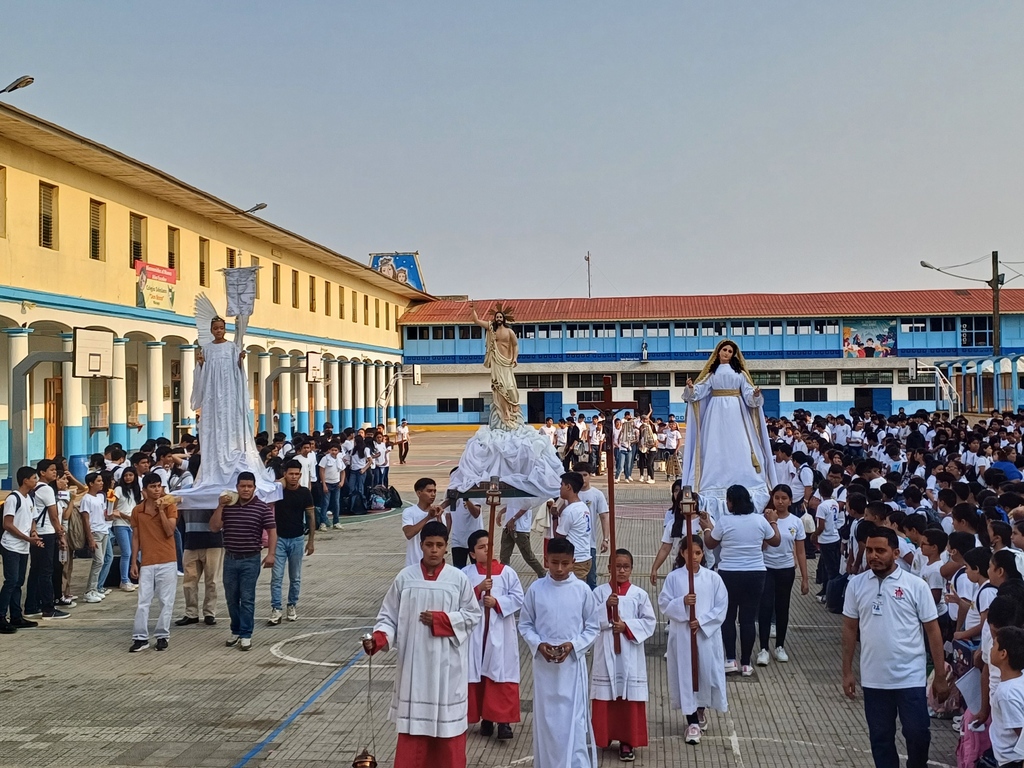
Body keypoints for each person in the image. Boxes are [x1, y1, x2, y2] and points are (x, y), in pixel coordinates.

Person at [362, 521, 482, 768]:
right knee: (414, 734)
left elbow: (473, 616)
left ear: (446, 547)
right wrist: (380, 638)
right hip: (414, 669)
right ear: (421, 545)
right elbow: (388, 616)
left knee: (448, 732)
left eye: (439, 545)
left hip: (447, 668)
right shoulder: (405, 578)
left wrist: (442, 619)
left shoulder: (458, 579)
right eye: (429, 545)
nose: (434, 550)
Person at [841, 527, 948, 768]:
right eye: (869, 550)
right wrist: (847, 671)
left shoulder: (916, 585)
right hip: (874, 678)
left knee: (918, 733)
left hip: (910, 677)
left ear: (896, 552)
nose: (873, 556)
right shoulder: (856, 585)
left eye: (880, 550)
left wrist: (940, 675)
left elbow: (933, 631)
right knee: (881, 738)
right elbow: (849, 629)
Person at [518, 536, 601, 768]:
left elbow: (593, 627)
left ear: (573, 561)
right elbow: (525, 624)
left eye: (565, 563)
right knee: (547, 723)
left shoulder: (582, 591)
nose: (560, 568)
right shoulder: (536, 589)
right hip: (544, 668)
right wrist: (538, 644)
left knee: (573, 722)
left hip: (572, 668)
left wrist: (573, 645)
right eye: (555, 562)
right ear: (546, 560)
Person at [185, 306, 281, 507]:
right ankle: (215, 466)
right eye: (215, 328)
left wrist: (240, 361)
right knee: (214, 423)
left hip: (228, 392)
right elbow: (202, 373)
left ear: (224, 329)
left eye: (221, 328)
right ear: (211, 330)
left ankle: (233, 455)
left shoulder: (231, 347)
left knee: (229, 419)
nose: (218, 331)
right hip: (213, 392)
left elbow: (238, 372)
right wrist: (201, 364)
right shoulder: (207, 349)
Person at [681, 340, 778, 518]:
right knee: (715, 446)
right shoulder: (712, 374)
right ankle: (713, 483)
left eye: (730, 351)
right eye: (724, 350)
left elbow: (748, 394)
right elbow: (699, 392)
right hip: (715, 411)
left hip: (736, 410)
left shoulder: (740, 374)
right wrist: (691, 389)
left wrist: (755, 395)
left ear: (734, 354)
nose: (726, 353)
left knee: (740, 443)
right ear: (718, 352)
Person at [699, 485, 781, 676]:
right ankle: (746, 663)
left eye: (728, 500)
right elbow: (775, 541)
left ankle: (730, 659)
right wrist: (773, 522)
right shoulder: (760, 521)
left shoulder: (726, 521)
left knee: (728, 617)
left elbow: (711, 542)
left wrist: (707, 528)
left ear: (732, 502)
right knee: (747, 618)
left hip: (729, 573)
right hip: (756, 573)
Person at [660, 535, 729, 746]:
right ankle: (691, 721)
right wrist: (682, 602)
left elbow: (721, 605)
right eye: (690, 552)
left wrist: (702, 621)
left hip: (706, 637)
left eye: (698, 553)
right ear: (682, 553)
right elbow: (664, 603)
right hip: (682, 635)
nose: (694, 557)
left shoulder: (713, 578)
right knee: (687, 674)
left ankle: (701, 709)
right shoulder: (674, 578)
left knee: (705, 673)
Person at [591, 549, 656, 761]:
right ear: (609, 568)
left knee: (628, 695)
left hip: (630, 653)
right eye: (616, 566)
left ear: (632, 569)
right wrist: (606, 608)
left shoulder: (639, 594)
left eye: (625, 567)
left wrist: (626, 626)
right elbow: (589, 620)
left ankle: (628, 741)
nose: (621, 570)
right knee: (606, 693)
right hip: (606, 650)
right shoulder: (600, 593)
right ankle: (604, 735)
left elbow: (649, 622)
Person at [462, 529, 524, 740]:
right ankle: (486, 717)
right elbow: (458, 599)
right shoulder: (465, 574)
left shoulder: (507, 573)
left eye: (489, 546)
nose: (487, 550)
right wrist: (478, 590)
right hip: (477, 633)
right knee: (479, 672)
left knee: (500, 671)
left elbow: (518, 597)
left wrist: (497, 602)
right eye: (481, 547)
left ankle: (503, 721)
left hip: (500, 631)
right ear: (472, 553)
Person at [210, 472, 277, 651]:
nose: (246, 489)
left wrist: (271, 554)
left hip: (251, 559)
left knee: (247, 598)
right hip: (230, 558)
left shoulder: (262, 508)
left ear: (255, 488)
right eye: (242, 486)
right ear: (237, 487)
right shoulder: (228, 506)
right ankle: (236, 629)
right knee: (231, 598)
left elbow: (272, 531)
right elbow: (215, 527)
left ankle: (246, 633)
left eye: (249, 486)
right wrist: (220, 506)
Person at [757, 484, 809, 665]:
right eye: (777, 497)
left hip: (786, 569)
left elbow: (801, 552)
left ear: (790, 501)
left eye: (784, 498)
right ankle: (763, 648)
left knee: (782, 607)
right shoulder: (763, 519)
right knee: (764, 607)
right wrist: (770, 521)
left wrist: (805, 578)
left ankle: (780, 645)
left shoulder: (796, 522)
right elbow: (760, 545)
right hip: (765, 568)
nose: (780, 501)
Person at [129, 473, 179, 652]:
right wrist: (134, 561)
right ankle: (140, 637)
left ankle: (162, 635)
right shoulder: (138, 510)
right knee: (143, 600)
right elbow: (136, 537)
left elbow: (169, 531)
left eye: (159, 486)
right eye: (153, 487)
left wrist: (161, 511)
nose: (157, 490)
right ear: (144, 490)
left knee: (166, 600)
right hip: (147, 560)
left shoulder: (170, 506)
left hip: (167, 559)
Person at [268, 459, 315, 625]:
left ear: (300, 475)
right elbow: (267, 496)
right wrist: (279, 484)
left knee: (295, 577)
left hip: (297, 539)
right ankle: (276, 608)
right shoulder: (278, 490)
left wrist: (311, 541)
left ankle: (292, 605)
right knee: (276, 576)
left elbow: (310, 516)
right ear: (285, 474)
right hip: (279, 539)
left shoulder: (304, 493)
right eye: (290, 474)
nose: (294, 477)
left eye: (297, 474)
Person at [174, 477, 225, 627]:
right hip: (191, 541)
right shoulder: (186, 491)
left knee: (212, 581)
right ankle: (191, 613)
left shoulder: (215, 491)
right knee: (189, 580)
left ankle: (210, 612)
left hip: (213, 541)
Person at [23, 459, 68, 620]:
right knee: (46, 571)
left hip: (37, 532)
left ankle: (31, 606)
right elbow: (53, 515)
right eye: (52, 470)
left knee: (36, 569)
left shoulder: (36, 489)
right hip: (47, 532)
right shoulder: (47, 490)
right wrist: (60, 534)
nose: (55, 472)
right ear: (42, 472)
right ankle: (48, 608)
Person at [1, 467, 43, 634]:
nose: (36, 481)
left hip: (24, 546)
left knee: (19, 582)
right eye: (34, 478)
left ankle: (16, 616)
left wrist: (33, 532)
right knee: (10, 581)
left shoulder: (29, 498)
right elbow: (8, 524)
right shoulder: (13, 498)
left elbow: (32, 519)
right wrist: (28, 539)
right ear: (25, 480)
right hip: (11, 545)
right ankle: (1, 616)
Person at [470, 302, 523, 430]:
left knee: (510, 387)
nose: (498, 319)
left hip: (507, 362)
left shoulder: (509, 332)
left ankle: (513, 410)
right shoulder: (491, 329)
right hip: (496, 362)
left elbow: (515, 345)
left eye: (500, 317)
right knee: (499, 388)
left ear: (504, 319)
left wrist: (515, 358)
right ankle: (504, 413)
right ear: (495, 318)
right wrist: (473, 310)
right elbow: (476, 321)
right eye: (497, 317)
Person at [989, 626, 1024, 767]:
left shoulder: (1006, 694)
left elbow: (1021, 732)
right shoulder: (1019, 680)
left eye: (994, 645)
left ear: (1003, 654)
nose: (991, 649)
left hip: (1011, 761)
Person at [575, 464, 610, 589]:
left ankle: (592, 605)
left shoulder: (597, 494)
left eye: (585, 475)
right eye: (579, 476)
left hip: (589, 544)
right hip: (571, 544)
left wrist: (605, 539)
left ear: (590, 476)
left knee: (591, 579)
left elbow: (604, 517)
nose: (583, 479)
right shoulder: (570, 493)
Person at [556, 472, 594, 582]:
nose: (560, 488)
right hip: (585, 556)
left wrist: (554, 519)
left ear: (568, 487)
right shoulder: (583, 507)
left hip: (575, 559)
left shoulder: (569, 511)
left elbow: (559, 536)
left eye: (561, 485)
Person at [81, 472, 112, 604]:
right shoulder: (86, 499)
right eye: (98, 481)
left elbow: (105, 514)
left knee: (105, 558)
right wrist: (90, 538)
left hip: (104, 530)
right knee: (98, 561)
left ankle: (95, 588)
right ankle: (90, 590)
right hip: (95, 533)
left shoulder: (100, 497)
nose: (101, 483)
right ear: (91, 483)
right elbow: (85, 519)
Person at [402, 478, 446, 568]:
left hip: (434, 564)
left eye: (434, 491)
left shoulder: (439, 513)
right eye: (429, 491)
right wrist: (428, 517)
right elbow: (409, 533)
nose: (433, 494)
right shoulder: (409, 512)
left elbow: (444, 537)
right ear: (419, 493)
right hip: (413, 563)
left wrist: (438, 518)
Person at [498, 497, 546, 578]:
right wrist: (501, 512)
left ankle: (542, 574)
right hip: (508, 525)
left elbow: (527, 505)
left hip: (520, 528)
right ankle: (505, 576)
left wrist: (513, 519)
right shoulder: (514, 487)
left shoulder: (525, 487)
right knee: (504, 555)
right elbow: (512, 505)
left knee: (528, 556)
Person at [110, 468, 141, 592]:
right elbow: (113, 507)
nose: (128, 477)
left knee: (133, 552)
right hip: (120, 524)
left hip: (132, 524)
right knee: (126, 552)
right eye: (126, 475)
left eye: (131, 475)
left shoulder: (136, 491)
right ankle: (124, 580)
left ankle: (129, 578)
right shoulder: (118, 490)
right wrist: (124, 516)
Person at [317, 443, 345, 530]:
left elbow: (343, 471)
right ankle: (323, 523)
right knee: (325, 503)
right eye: (332, 450)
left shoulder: (339, 460)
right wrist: (324, 484)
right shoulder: (325, 459)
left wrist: (342, 481)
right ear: (329, 450)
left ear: (339, 451)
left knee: (336, 503)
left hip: (336, 484)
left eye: (336, 450)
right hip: (327, 483)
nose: (334, 452)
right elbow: (321, 471)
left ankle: (336, 522)